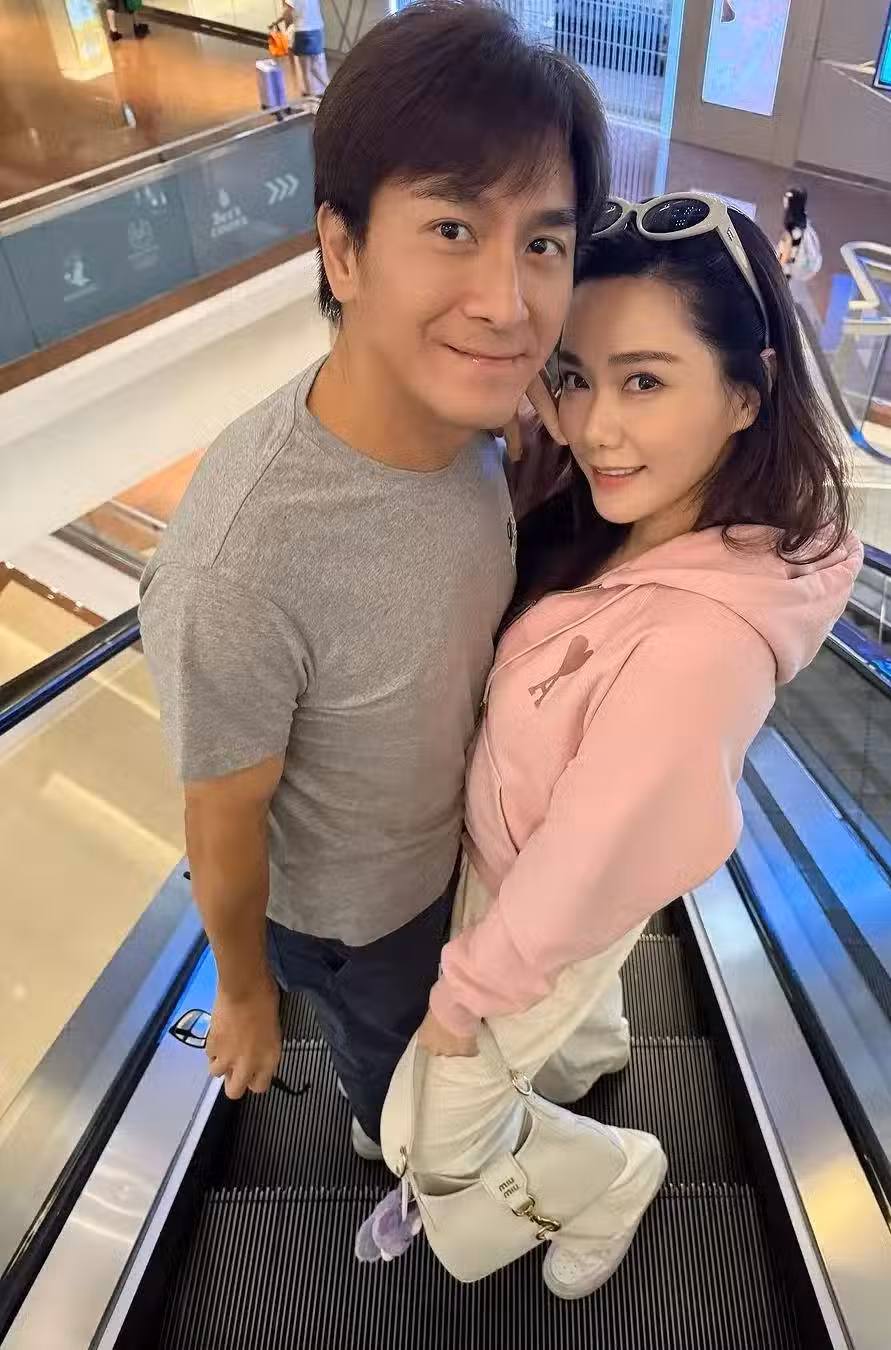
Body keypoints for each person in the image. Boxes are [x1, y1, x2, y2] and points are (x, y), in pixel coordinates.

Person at [139, 1, 608, 1162]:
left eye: (543, 244)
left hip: (462, 853)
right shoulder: (241, 564)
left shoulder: (483, 422)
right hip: (357, 921)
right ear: (342, 252)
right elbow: (221, 818)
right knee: (401, 1082)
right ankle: (390, 1142)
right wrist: (244, 993)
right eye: (452, 228)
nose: (507, 303)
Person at [374, 193, 862, 1297]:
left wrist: (461, 1002)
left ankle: (611, 1175)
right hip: (541, 867)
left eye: (645, 381)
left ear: (748, 392)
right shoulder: (642, 523)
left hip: (536, 896)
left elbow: (588, 862)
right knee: (576, 984)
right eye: (576, 377)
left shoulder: (696, 643)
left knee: (438, 1150)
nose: (594, 427)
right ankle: (590, 1050)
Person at [277, 0, 330, 98]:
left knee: (306, 70)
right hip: (317, 31)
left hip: (303, 32)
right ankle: (332, 90)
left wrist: (278, 21)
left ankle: (311, 96)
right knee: (316, 67)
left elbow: (287, 13)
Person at [776, 186, 807, 280]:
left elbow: (787, 253)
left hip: (784, 272)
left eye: (788, 199)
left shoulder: (794, 230)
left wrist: (778, 267)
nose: (785, 201)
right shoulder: (799, 227)